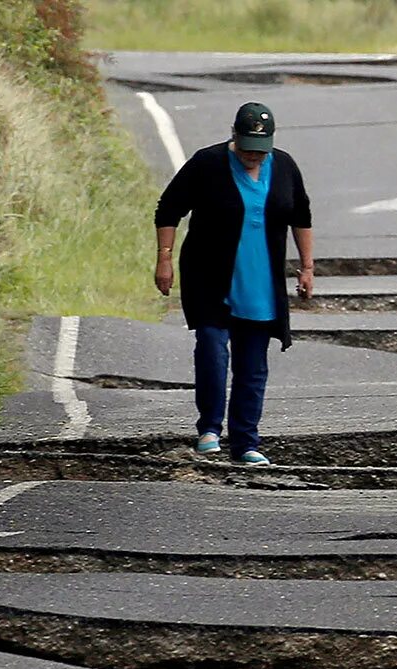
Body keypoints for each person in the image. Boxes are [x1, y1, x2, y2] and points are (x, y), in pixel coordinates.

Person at [154, 101, 313, 466]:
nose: (253, 156)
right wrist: (164, 258)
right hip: (209, 274)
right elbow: (168, 209)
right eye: (246, 149)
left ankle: (246, 441)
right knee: (212, 347)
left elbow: (301, 216)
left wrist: (307, 267)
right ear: (233, 137)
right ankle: (209, 428)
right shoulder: (207, 164)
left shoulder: (285, 166)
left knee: (252, 362)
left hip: (261, 279)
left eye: (260, 150)